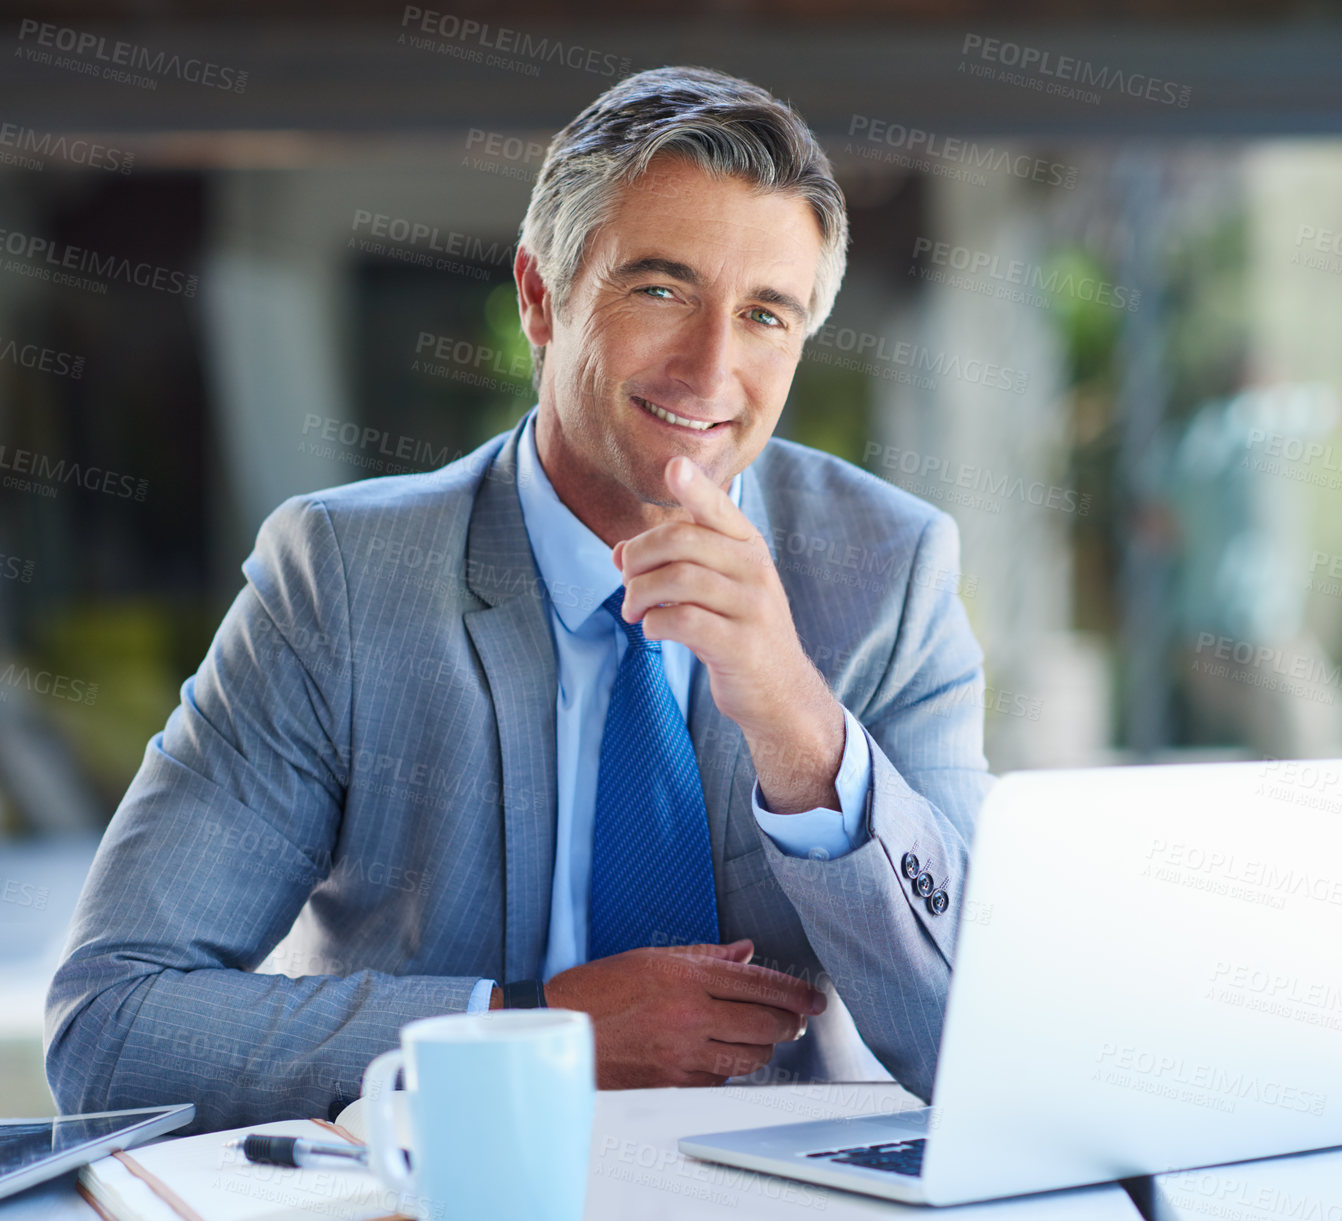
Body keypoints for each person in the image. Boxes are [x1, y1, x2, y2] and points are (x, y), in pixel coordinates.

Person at [46, 65, 993, 1131]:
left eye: (767, 315)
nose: (710, 368)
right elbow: (112, 1024)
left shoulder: (890, 573)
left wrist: (795, 717)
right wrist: (530, 1028)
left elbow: (982, 1039)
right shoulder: (342, 583)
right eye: (660, 289)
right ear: (541, 297)